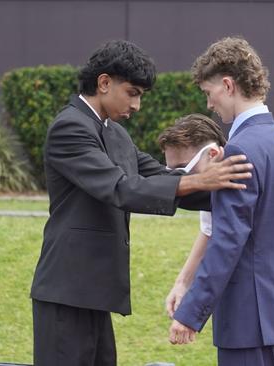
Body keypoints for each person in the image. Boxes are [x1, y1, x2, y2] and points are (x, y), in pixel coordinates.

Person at [29, 40, 253, 366]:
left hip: (93, 292)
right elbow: (121, 188)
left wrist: (237, 193)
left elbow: (158, 176)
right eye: (132, 92)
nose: (137, 105)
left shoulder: (116, 133)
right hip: (66, 292)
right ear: (104, 83)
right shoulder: (69, 128)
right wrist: (197, 180)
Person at [159, 114, 274, 366]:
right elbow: (211, 232)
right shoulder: (216, 183)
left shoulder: (272, 178)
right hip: (267, 319)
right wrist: (183, 283)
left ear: (213, 155)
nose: (182, 181)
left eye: (183, 169)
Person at [166, 36, 274, 366]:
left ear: (227, 85)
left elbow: (228, 240)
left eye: (208, 93)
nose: (209, 104)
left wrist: (190, 314)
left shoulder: (239, 150)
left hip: (248, 322)